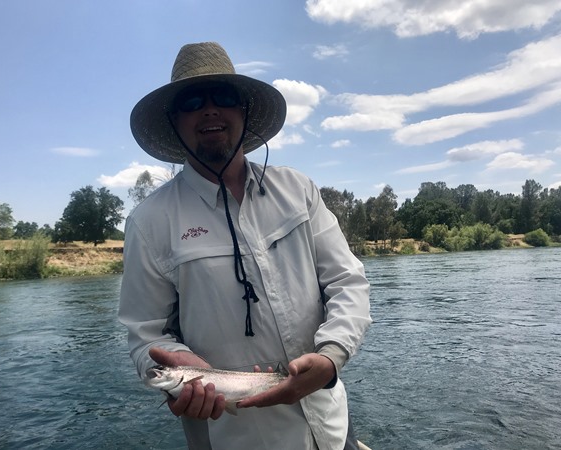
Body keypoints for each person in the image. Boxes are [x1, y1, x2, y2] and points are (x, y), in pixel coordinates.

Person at [119, 41, 372, 450]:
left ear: (245, 111)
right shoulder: (149, 222)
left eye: (225, 96)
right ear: (174, 121)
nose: (210, 109)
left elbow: (347, 281)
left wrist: (330, 356)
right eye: (192, 100)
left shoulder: (299, 190)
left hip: (331, 425)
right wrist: (172, 376)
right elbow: (145, 336)